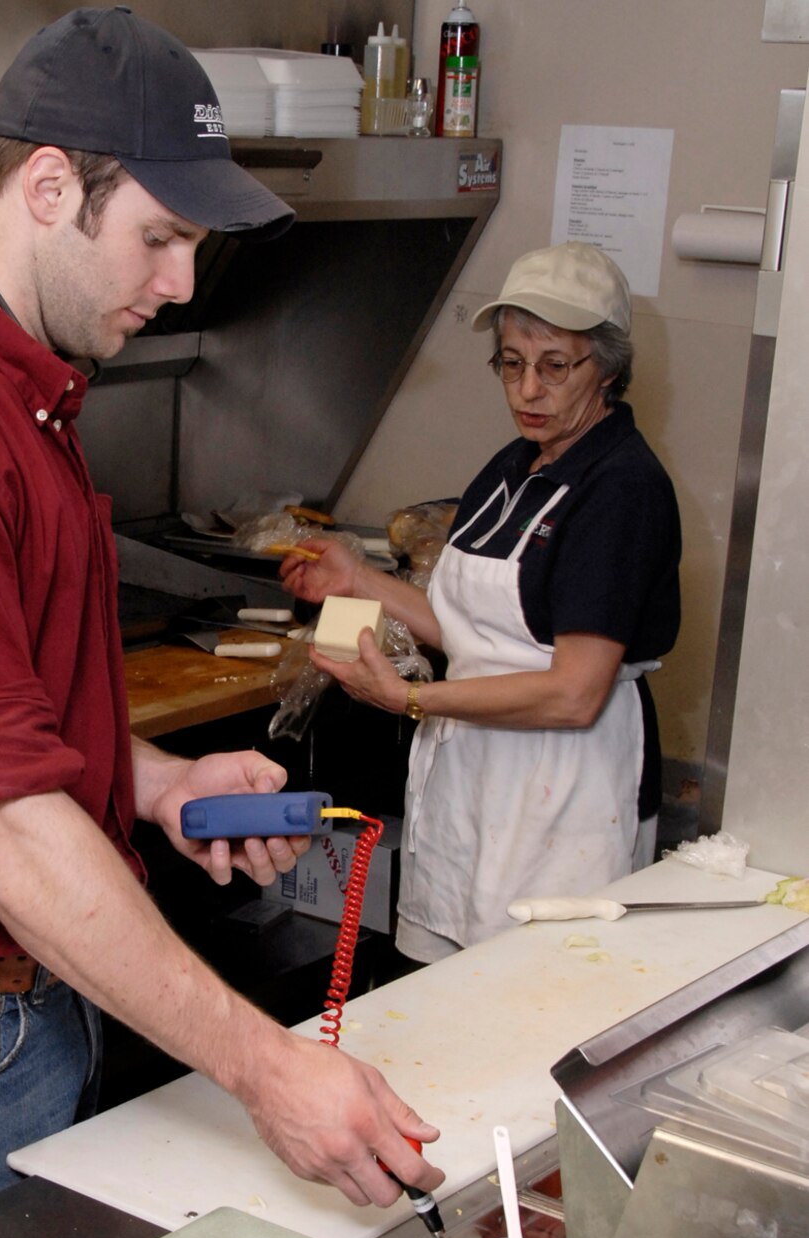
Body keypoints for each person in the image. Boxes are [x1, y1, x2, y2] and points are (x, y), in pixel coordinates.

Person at [0, 5, 443, 1238]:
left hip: (4, 1020)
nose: (178, 282)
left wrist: (159, 785)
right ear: (49, 186)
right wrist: (266, 1067)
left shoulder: (21, 397)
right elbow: (3, 822)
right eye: (160, 237)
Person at [280, 241, 681, 965]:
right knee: (439, 999)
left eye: (555, 365)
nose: (527, 389)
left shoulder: (619, 488)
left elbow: (572, 694)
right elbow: (472, 635)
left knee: (530, 1008)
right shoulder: (516, 464)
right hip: (472, 786)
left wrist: (407, 699)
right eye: (510, 361)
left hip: (561, 797)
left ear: (609, 368)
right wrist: (358, 577)